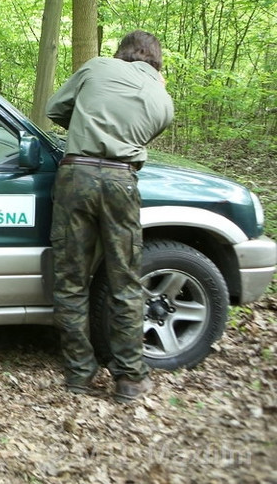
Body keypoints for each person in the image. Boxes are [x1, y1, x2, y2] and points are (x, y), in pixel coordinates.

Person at [46, 30, 175, 403]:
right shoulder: (162, 99)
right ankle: (130, 379)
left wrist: (89, 123)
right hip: (122, 180)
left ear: (120, 53)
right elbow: (144, 135)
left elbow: (55, 110)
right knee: (125, 281)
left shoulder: (97, 67)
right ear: (156, 61)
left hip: (76, 176)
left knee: (71, 279)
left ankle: (79, 373)